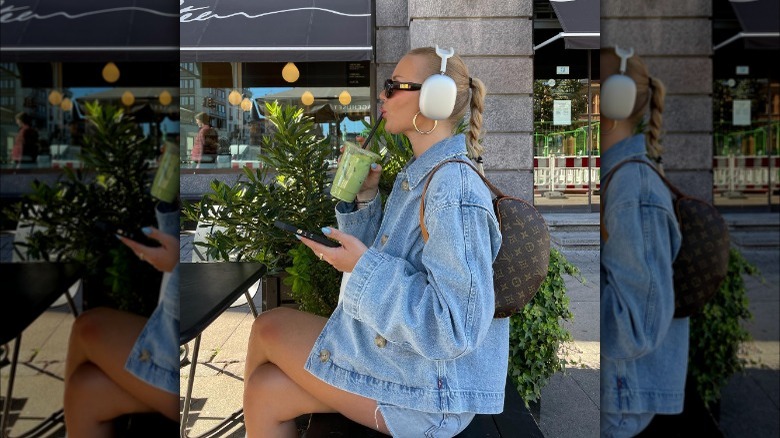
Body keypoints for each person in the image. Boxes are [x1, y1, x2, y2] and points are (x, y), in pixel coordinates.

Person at [242, 47, 506, 437]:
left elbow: (454, 328)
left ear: (435, 98)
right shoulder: (424, 174)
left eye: (393, 86)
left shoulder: (453, 189)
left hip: (432, 395)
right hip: (409, 366)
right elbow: (391, 260)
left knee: (268, 328)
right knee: (264, 391)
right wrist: (365, 198)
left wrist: (362, 268)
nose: (382, 96)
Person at [599, 47, 685, 437]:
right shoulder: (622, 178)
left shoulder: (633, 188)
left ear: (613, 99)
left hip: (620, 395)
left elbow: (638, 324)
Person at [63, 200, 180, 436]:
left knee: (88, 329)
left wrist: (175, 264)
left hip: (176, 365)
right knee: (84, 390)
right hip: (173, 342)